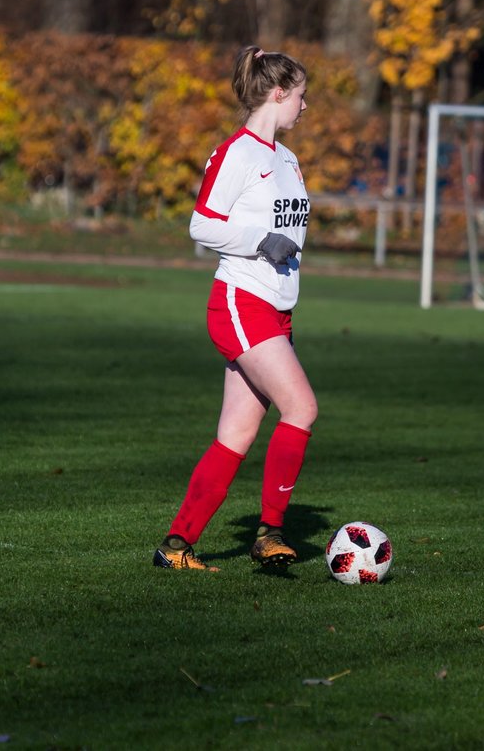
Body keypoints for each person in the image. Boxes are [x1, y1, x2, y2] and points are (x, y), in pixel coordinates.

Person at [153, 46, 315, 572]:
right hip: (241, 303)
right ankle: (270, 534)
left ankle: (175, 548)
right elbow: (201, 224)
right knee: (302, 408)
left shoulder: (286, 159)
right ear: (277, 93)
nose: (304, 107)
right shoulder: (236, 153)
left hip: (276, 308)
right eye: (301, 96)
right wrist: (259, 240)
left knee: (236, 435)